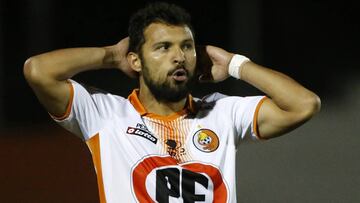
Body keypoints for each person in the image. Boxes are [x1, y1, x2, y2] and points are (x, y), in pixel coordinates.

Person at [23, 2, 321, 203]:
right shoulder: (105, 115)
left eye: (187, 47)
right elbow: (38, 71)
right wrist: (111, 55)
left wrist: (235, 64)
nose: (179, 56)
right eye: (163, 47)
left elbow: (304, 104)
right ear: (136, 61)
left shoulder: (222, 112)